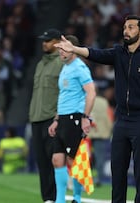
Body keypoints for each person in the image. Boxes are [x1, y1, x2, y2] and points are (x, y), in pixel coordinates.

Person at [55, 15, 140, 203]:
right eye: (125, 27)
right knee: (118, 170)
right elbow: (95, 53)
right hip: (122, 120)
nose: (126, 30)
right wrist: (74, 48)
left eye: (131, 27)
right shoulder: (118, 53)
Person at [48, 35, 96, 203]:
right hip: (63, 119)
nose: (60, 52)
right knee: (57, 159)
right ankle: (60, 200)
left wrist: (85, 117)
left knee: (73, 160)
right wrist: (56, 119)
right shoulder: (66, 67)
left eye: (64, 48)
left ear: (72, 49)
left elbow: (91, 92)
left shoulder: (80, 68)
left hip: (75, 117)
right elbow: (64, 95)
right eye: (59, 48)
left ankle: (76, 197)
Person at [28, 28, 63, 203]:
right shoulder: (40, 63)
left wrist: (58, 117)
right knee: (42, 162)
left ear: (57, 42)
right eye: (44, 40)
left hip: (51, 118)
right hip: (36, 118)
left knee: (54, 160)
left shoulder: (61, 63)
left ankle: (57, 197)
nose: (44, 43)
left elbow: (64, 92)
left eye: (48, 40)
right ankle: (48, 199)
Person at [88, 87, 113, 186]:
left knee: (86, 157)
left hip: (88, 133)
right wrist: (108, 130)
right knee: (100, 157)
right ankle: (98, 178)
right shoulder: (104, 102)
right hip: (102, 133)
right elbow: (109, 117)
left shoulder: (87, 100)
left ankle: (85, 177)